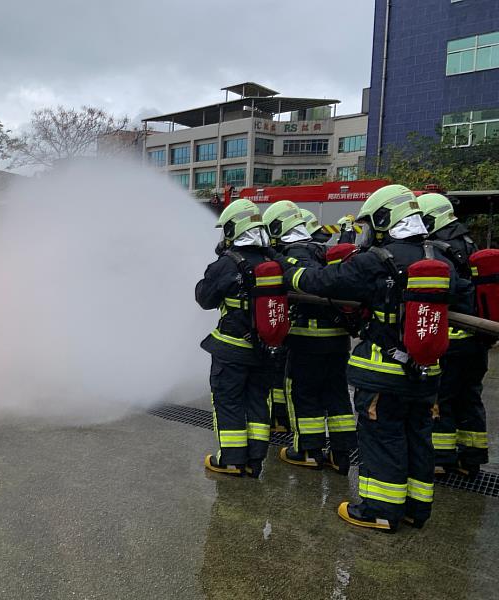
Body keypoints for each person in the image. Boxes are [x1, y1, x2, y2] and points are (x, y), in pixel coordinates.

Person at [278, 184, 470, 531]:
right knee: (417, 436)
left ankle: (379, 509)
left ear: (385, 218)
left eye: (372, 223)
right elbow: (464, 298)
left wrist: (287, 264)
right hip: (427, 372)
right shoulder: (441, 258)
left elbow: (319, 282)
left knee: (383, 438)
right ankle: (416, 508)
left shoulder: (375, 262)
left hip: (384, 371)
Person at [262, 201, 356, 475]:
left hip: (307, 339)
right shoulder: (321, 250)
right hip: (338, 340)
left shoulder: (295, 254)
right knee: (337, 395)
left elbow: (305, 281)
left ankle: (308, 451)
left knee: (304, 394)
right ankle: (340, 454)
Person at [195, 199, 276, 478]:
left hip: (231, 349)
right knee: (257, 401)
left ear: (234, 229)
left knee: (229, 402)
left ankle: (230, 459)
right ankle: (255, 460)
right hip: (265, 349)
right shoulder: (273, 261)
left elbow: (205, 300)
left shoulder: (226, 265)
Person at [419, 193, 489, 477]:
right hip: (477, 338)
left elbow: (439, 291)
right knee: (470, 396)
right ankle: (471, 457)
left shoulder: (434, 248)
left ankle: (440, 458)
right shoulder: (468, 243)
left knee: (441, 399)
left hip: (451, 339)